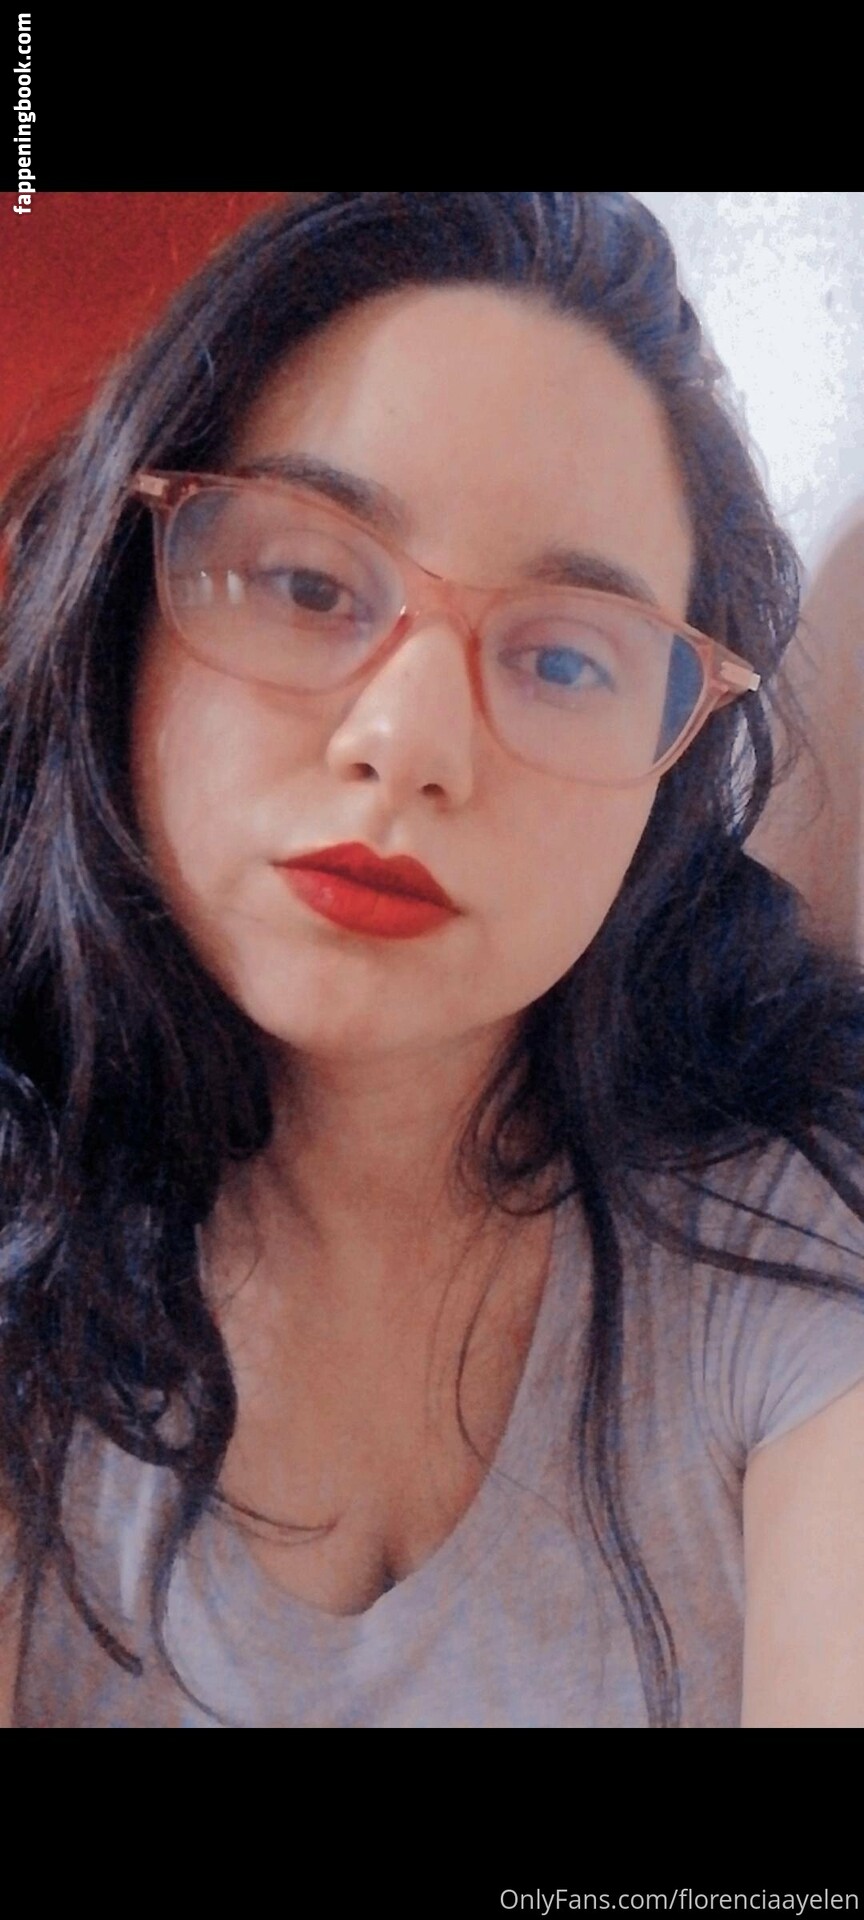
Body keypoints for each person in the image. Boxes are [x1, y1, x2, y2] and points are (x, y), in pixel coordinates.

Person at [2, 191, 864, 1730]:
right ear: (124, 603)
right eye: (306, 584)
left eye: (565, 656)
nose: (408, 745)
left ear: (670, 774)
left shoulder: (797, 1240)